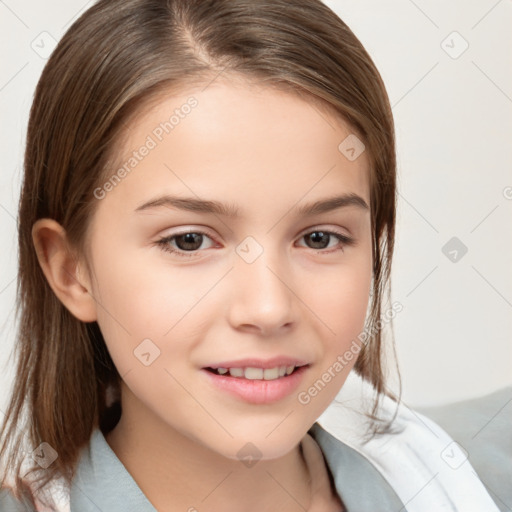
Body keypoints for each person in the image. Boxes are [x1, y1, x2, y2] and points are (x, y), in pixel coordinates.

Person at [0, 0, 508, 510]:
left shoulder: (473, 477)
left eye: (319, 238)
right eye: (189, 240)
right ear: (71, 271)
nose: (269, 308)